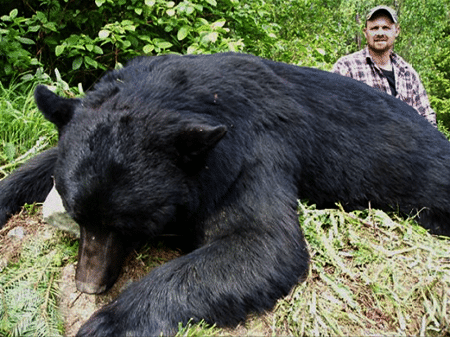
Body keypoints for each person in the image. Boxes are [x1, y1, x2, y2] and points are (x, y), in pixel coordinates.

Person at [332, 5, 436, 126]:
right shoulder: (346, 67)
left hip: (407, 144)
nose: (380, 33)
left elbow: (427, 117)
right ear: (365, 32)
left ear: (396, 31)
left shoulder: (408, 73)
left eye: (386, 28)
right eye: (374, 28)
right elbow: (333, 113)